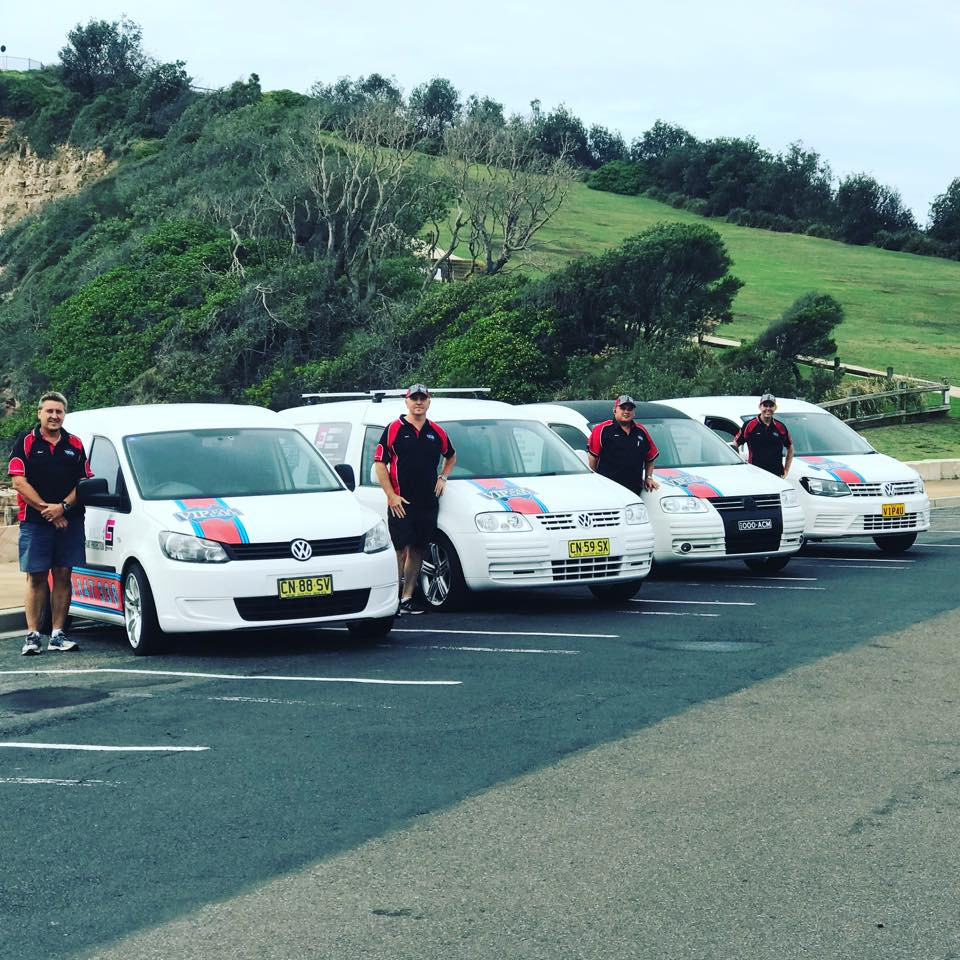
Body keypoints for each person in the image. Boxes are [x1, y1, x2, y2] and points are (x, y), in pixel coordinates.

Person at [8, 391, 91, 655]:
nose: (54, 416)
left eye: (59, 411)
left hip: (70, 521)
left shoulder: (75, 444)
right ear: (40, 413)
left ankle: (57, 635)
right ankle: (33, 637)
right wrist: (49, 511)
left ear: (64, 415)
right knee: (37, 577)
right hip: (35, 523)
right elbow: (18, 482)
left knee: (63, 575)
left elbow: (84, 482)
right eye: (49, 411)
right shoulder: (25, 443)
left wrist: (63, 508)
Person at [374, 385, 456, 614]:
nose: (418, 402)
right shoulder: (393, 429)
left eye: (422, 398)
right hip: (401, 502)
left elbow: (451, 456)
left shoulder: (436, 431)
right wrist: (391, 496)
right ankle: (391, 600)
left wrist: (443, 476)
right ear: (407, 401)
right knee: (399, 551)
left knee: (418, 549)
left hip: (427, 502)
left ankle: (407, 598)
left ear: (429, 401)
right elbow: (379, 463)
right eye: (414, 399)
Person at [588, 395, 660, 495]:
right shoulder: (602, 430)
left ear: (634, 413)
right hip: (608, 491)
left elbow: (650, 457)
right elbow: (592, 458)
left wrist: (648, 477)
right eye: (622, 408)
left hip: (635, 492)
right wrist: (595, 482)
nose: (626, 412)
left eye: (630, 409)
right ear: (614, 410)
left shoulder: (641, 431)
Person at [731, 393, 794, 478]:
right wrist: (738, 466)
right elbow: (735, 444)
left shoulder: (780, 427)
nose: (768, 408)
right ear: (760, 407)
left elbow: (790, 448)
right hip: (755, 475)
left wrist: (786, 470)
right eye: (765, 405)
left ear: (775, 408)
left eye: (771, 406)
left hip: (776, 475)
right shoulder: (749, 425)